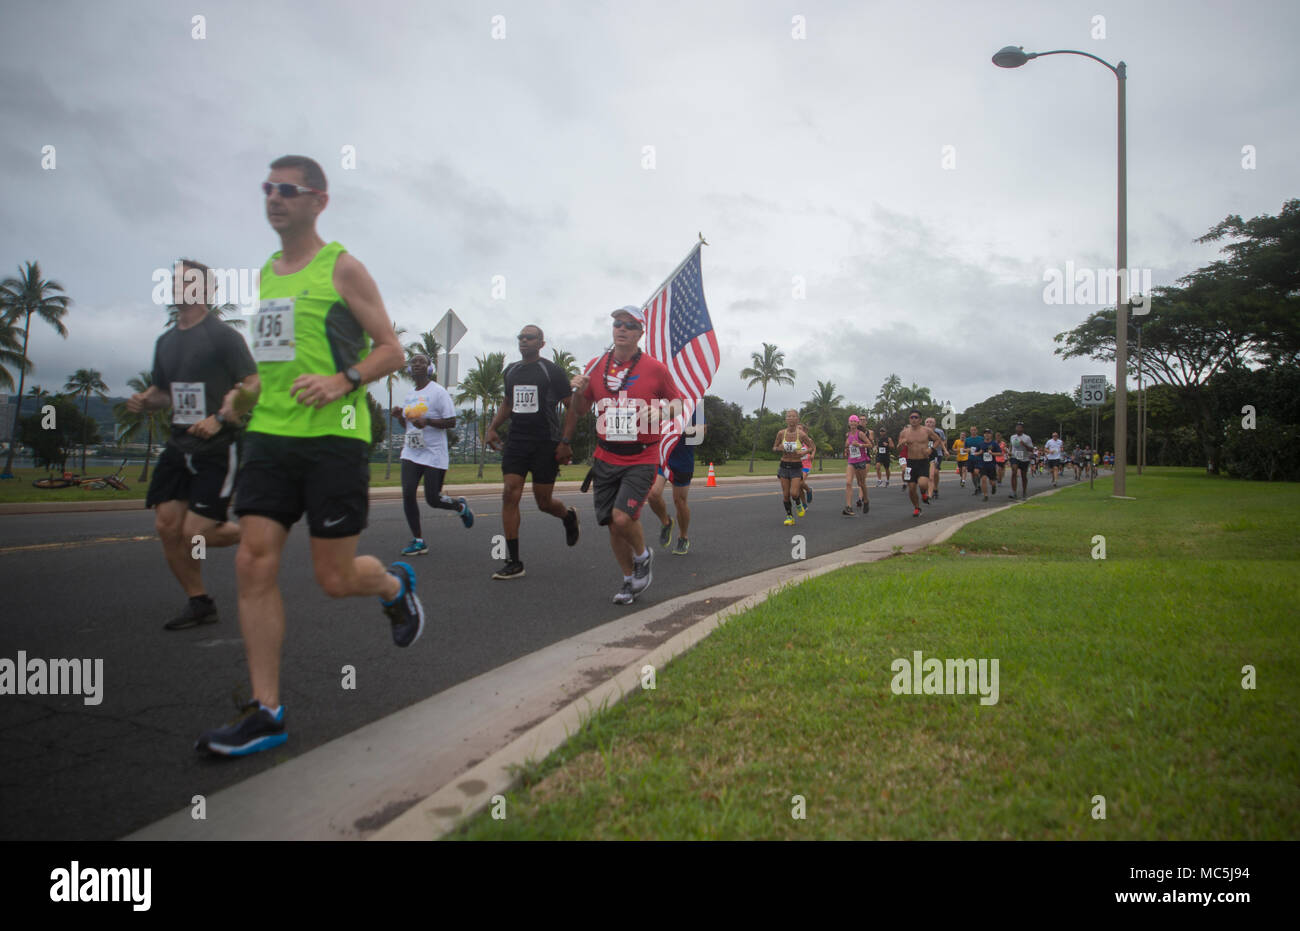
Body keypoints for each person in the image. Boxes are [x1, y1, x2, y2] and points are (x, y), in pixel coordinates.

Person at [196, 155, 423, 757]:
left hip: (335, 438)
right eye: (268, 188)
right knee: (252, 559)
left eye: (288, 189)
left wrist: (342, 379)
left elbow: (392, 351)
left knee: (333, 577)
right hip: (270, 435)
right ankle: (267, 711)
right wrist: (234, 402)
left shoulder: (342, 268)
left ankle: (394, 588)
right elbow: (272, 367)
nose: (275, 198)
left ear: (319, 200)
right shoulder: (268, 274)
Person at [128, 259, 257, 630]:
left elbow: (251, 384)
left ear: (207, 291)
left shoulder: (224, 338)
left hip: (218, 447)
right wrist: (144, 400)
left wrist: (219, 417)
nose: (177, 286)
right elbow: (163, 394)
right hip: (178, 445)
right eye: (174, 281)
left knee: (196, 532)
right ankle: (199, 601)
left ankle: (257, 533)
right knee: (168, 527)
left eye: (187, 282)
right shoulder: (166, 342)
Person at [564, 305, 684, 605]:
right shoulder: (595, 365)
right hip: (605, 456)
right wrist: (577, 391)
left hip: (641, 456)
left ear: (640, 333)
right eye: (617, 323)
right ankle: (630, 579)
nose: (621, 328)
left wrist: (661, 410)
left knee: (622, 517)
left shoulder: (655, 369)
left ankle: (643, 557)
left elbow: (679, 403)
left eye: (629, 325)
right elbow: (579, 411)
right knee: (611, 524)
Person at [484, 325, 580, 578]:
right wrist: (492, 427)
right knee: (509, 493)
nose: (523, 341)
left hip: (545, 442)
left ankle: (568, 516)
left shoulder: (551, 371)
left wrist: (565, 441)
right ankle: (513, 562)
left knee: (543, 502)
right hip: (517, 441)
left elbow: (573, 407)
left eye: (529, 338)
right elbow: (508, 403)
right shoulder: (511, 371)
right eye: (521, 338)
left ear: (541, 343)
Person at [391, 352, 473, 557]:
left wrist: (427, 422)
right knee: (408, 493)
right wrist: (399, 417)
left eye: (422, 362)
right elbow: (407, 424)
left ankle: (459, 505)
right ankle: (418, 541)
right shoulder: (410, 395)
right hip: (411, 451)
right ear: (410, 369)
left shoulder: (438, 392)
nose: (417, 364)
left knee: (432, 499)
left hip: (434, 453)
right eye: (413, 362)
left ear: (429, 368)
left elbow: (451, 421)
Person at [647, 403, 704, 554]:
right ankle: (666, 522)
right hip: (662, 457)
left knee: (680, 502)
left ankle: (683, 537)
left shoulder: (694, 405)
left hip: (683, 461)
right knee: (653, 494)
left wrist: (679, 430)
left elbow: (702, 432)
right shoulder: (659, 403)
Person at [897, 410, 942, 517]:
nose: (913, 419)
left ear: (920, 420)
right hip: (910, 463)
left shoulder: (926, 431)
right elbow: (898, 448)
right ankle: (917, 508)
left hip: (923, 462)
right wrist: (901, 444)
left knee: (922, 484)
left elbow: (937, 440)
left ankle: (923, 494)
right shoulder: (904, 432)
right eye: (911, 417)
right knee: (911, 488)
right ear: (909, 419)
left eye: (916, 417)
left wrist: (931, 449)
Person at [772, 409, 814, 525]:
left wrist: (804, 453)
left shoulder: (802, 434)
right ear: (786, 419)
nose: (791, 418)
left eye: (793, 416)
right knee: (786, 495)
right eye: (788, 416)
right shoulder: (781, 433)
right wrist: (778, 448)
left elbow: (811, 447)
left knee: (794, 493)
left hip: (796, 466)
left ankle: (798, 503)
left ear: (797, 419)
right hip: (784, 466)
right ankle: (789, 517)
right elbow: (774, 447)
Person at [842, 414, 872, 516]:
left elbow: (870, 445)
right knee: (848, 483)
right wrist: (846, 450)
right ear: (849, 423)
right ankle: (848, 507)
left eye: (855, 421)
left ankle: (866, 500)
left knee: (861, 483)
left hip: (861, 461)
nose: (853, 423)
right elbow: (847, 445)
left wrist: (859, 445)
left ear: (857, 423)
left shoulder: (861, 434)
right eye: (851, 421)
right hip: (851, 461)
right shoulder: (848, 434)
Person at [967, 428, 1001, 500]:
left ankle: (993, 486)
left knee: (992, 482)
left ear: (991, 435)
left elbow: (1000, 453)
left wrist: (992, 453)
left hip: (991, 465)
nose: (987, 435)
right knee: (983, 479)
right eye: (985, 433)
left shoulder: (994, 443)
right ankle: (985, 495)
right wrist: (980, 452)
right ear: (984, 435)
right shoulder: (981, 444)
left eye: (988, 433)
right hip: (982, 465)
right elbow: (975, 453)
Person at [1007, 421, 1033, 499]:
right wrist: (1010, 452)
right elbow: (1011, 445)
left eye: (1020, 427)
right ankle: (1014, 492)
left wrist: (1024, 444)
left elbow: (1031, 449)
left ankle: (1024, 492)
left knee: (1023, 476)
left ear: (1023, 429)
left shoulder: (1027, 437)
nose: (1018, 429)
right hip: (1015, 457)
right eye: (1017, 427)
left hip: (1024, 458)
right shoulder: (1012, 437)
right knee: (1014, 471)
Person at [925, 416, 949, 499]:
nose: (929, 423)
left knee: (935, 472)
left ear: (934, 424)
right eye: (927, 422)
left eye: (931, 422)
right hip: (925, 455)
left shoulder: (939, 432)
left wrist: (945, 450)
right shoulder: (922, 431)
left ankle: (935, 488)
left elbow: (943, 441)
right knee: (927, 473)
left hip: (937, 454)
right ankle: (929, 489)